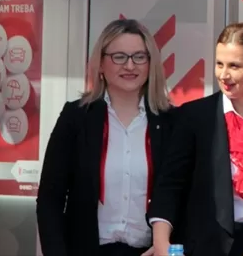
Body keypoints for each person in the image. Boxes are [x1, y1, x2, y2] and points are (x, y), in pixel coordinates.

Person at [37, 19, 174, 256]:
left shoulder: (172, 122)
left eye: (139, 57)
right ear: (100, 64)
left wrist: (166, 245)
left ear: (151, 63)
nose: (130, 66)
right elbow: (50, 198)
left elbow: (180, 196)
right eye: (119, 57)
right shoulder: (76, 117)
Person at [150, 21, 243, 256]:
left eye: (234, 66)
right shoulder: (194, 116)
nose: (224, 75)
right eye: (219, 64)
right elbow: (170, 184)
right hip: (204, 246)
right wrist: (161, 243)